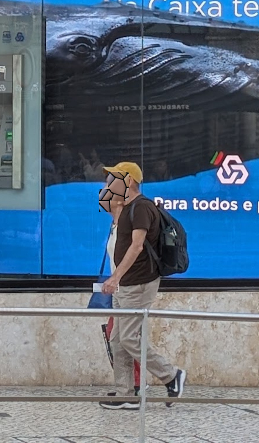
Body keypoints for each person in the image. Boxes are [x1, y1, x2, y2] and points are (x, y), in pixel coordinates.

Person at [97, 161, 186, 410]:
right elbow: (104, 202)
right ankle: (126, 393)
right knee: (117, 340)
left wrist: (115, 278)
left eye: (112, 178)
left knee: (128, 338)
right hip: (124, 285)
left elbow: (137, 246)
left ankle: (171, 375)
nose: (107, 183)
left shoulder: (143, 208)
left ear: (128, 181)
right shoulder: (125, 209)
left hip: (138, 283)